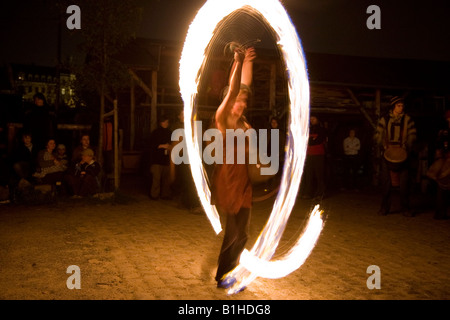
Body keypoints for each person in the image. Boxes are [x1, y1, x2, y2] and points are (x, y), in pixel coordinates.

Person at [211, 45, 256, 289]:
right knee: (233, 234)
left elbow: (243, 88)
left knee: (244, 234)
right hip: (229, 182)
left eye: (243, 102)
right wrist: (237, 62)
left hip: (244, 182)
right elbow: (236, 89)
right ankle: (222, 276)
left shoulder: (243, 122)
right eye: (237, 101)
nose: (241, 104)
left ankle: (231, 272)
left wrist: (248, 61)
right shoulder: (224, 118)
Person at [374, 96, 417, 216]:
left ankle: (405, 208)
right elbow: (378, 135)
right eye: (399, 105)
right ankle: (384, 208)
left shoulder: (407, 119)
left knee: (404, 184)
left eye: (402, 105)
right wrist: (383, 146)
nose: (401, 107)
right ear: (393, 107)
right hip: (387, 154)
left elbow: (412, 135)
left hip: (403, 154)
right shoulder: (385, 119)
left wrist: (406, 148)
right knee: (385, 183)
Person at [301, 115, 327, 201]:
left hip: (318, 155)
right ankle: (308, 193)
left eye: (313, 119)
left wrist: (310, 140)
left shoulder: (322, 130)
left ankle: (320, 193)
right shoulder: (308, 129)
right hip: (309, 155)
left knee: (319, 174)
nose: (311, 120)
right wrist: (312, 139)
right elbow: (305, 141)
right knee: (309, 174)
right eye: (310, 119)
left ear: (317, 119)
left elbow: (318, 140)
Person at [430, 110, 450, 219]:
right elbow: (438, 146)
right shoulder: (444, 132)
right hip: (445, 162)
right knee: (442, 187)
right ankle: (440, 213)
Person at [149, 115, 172, 200]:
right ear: (161, 122)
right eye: (165, 122)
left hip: (166, 159)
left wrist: (169, 147)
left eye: (167, 122)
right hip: (157, 160)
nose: (167, 123)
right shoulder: (155, 133)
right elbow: (152, 145)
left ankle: (165, 194)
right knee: (156, 179)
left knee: (166, 179)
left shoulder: (170, 133)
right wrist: (162, 146)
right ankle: (154, 195)